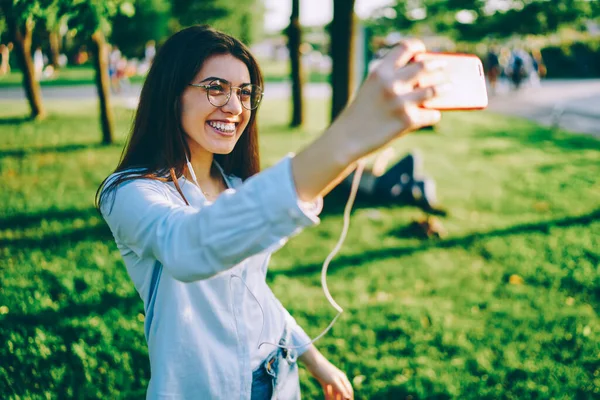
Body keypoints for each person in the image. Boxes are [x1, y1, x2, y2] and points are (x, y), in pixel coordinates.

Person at [96, 25, 447, 399]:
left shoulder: (236, 185)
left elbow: (253, 294)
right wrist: (348, 137)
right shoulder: (130, 192)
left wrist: (313, 359)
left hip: (278, 379)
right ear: (172, 93)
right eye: (216, 87)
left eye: (245, 93)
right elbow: (190, 248)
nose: (234, 107)